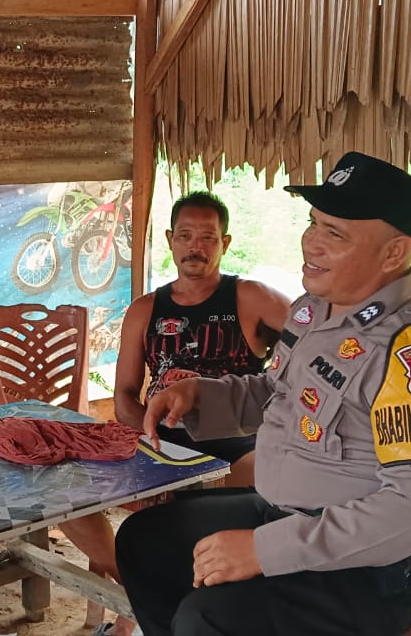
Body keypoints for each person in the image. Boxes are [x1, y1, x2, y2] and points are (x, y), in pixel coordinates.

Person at [115, 151, 411, 636]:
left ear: (393, 254)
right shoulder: (317, 310)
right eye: (313, 223)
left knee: (208, 617)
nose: (311, 242)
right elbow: (277, 391)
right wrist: (200, 394)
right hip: (282, 514)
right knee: (145, 541)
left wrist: (264, 551)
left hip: (367, 569)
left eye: (335, 233)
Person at [112, 191, 290, 486]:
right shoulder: (144, 310)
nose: (195, 246)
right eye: (185, 236)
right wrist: (151, 435)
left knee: (263, 482)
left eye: (207, 237)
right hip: (164, 437)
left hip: (238, 439)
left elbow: (317, 338)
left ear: (225, 243)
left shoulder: (253, 297)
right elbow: (124, 395)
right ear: (170, 239)